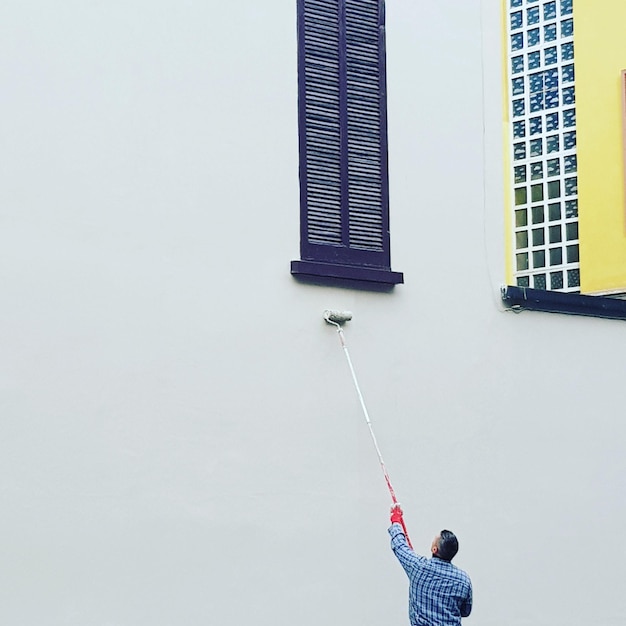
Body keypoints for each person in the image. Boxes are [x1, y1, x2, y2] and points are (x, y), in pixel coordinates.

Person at [388, 504, 472, 626]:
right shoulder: (464, 580)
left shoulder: (419, 568)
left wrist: (395, 519)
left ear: (434, 549)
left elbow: (400, 546)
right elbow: (465, 611)